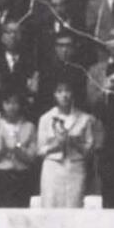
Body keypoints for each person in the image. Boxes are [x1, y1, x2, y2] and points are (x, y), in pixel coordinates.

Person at [36, 78, 101, 207]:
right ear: (54, 95)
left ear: (73, 93)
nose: (64, 95)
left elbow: (89, 149)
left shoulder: (85, 119)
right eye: (59, 91)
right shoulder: (45, 118)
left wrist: (73, 142)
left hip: (75, 168)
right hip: (52, 168)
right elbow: (40, 150)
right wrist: (56, 145)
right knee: (50, 205)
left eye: (67, 91)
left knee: (74, 206)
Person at [0, 87, 39, 206]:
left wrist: (18, 150)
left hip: (21, 177)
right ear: (2, 104)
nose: (11, 107)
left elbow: (32, 157)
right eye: (7, 103)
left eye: (15, 102)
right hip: (0, 176)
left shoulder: (29, 127)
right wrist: (0, 151)